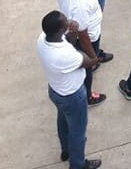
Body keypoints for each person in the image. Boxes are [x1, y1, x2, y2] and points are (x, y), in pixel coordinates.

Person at [36, 11, 101, 169]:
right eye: (65, 22)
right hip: (72, 96)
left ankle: (65, 150)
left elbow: (68, 44)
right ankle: (78, 164)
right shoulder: (64, 55)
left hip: (56, 91)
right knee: (78, 133)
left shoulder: (42, 40)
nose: (69, 21)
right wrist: (95, 56)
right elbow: (89, 62)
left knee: (63, 121)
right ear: (59, 31)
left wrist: (70, 35)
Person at [55, 0, 111, 106]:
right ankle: (88, 96)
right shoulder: (79, 5)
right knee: (87, 69)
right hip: (90, 38)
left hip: (88, 34)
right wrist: (92, 57)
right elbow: (83, 35)